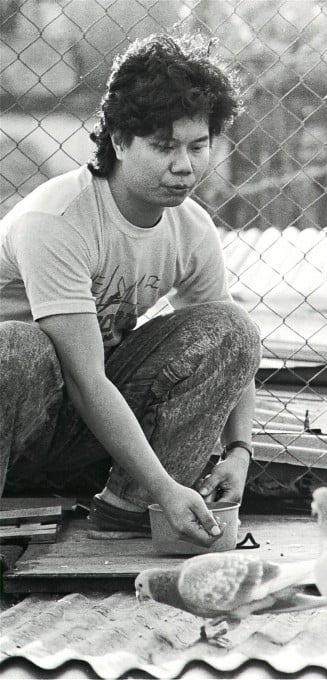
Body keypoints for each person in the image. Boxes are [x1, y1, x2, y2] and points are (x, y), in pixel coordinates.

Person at [0, 33, 260, 546]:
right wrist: (167, 484)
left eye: (198, 145)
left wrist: (239, 451)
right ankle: (156, 492)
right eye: (164, 147)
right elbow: (84, 380)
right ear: (119, 141)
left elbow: (235, 351)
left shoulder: (190, 227)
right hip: (22, 411)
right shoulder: (56, 219)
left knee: (233, 328)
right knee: (20, 347)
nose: (184, 165)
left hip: (85, 424)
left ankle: (129, 509)